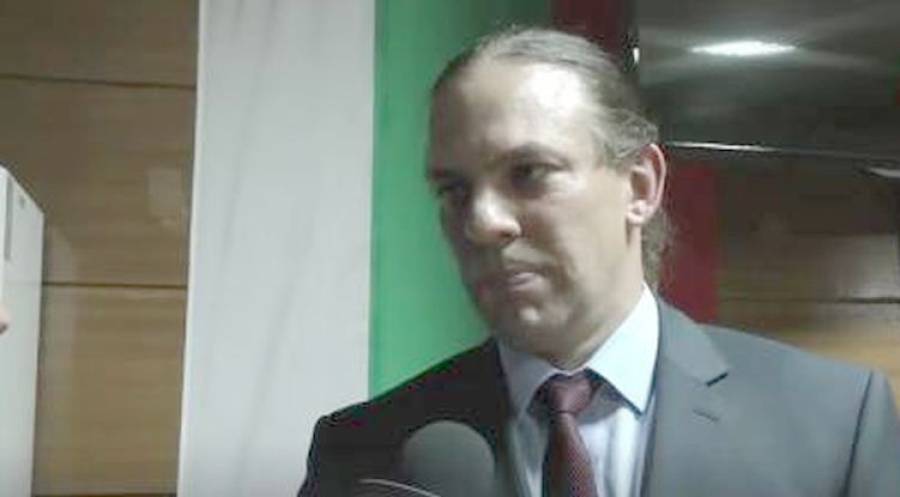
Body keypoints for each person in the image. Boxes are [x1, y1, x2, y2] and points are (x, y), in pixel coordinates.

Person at [298, 28, 900, 496]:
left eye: (528, 173)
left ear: (640, 185)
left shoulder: (832, 423)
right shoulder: (363, 454)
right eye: (455, 190)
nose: (481, 222)